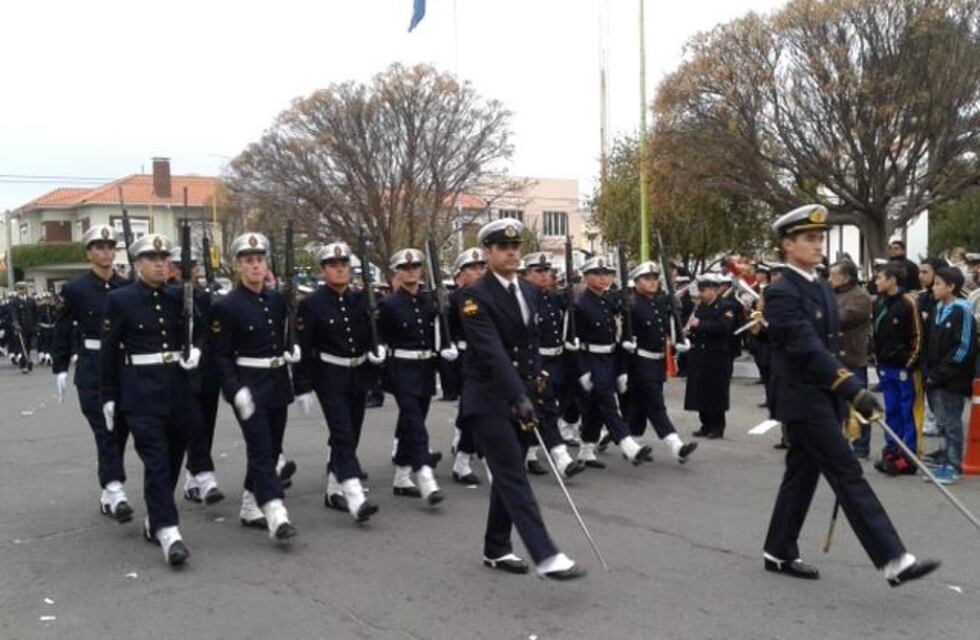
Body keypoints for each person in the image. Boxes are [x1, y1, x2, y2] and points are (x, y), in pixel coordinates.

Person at [762, 203, 939, 587]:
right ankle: (893, 559)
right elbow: (806, 347)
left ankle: (778, 549)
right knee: (847, 471)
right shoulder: (781, 292)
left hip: (823, 395)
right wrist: (851, 388)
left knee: (801, 474)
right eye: (809, 238)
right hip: (801, 397)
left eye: (820, 237)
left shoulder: (819, 285)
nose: (818, 244)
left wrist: (842, 389)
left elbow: (830, 345)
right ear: (788, 245)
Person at [457, 217, 585, 580]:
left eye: (515, 247)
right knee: (513, 472)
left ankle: (496, 548)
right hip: (487, 398)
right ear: (488, 253)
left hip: (522, 395)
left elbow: (529, 345)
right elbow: (491, 351)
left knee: (505, 473)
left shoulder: (528, 291)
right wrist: (517, 393)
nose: (512, 252)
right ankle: (546, 555)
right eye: (502, 248)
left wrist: (536, 382)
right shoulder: (473, 296)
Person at [100, 234, 202, 565]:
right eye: (152, 258)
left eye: (164, 257)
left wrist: (195, 348)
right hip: (140, 393)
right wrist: (108, 396)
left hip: (177, 390)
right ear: (138, 263)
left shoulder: (179, 297)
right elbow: (108, 351)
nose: (161, 263)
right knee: (156, 461)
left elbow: (203, 325)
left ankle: (154, 520)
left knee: (172, 460)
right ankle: (169, 531)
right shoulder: (120, 300)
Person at [209, 232, 298, 543]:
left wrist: (291, 350)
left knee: (272, 450)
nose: (256, 266)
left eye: (259, 260)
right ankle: (275, 512)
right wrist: (235, 391)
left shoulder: (276, 300)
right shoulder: (227, 306)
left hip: (276, 383)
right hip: (248, 386)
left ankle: (249, 506)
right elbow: (219, 356)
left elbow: (284, 335)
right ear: (237, 267)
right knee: (261, 448)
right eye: (249, 261)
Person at [293, 242, 383, 522]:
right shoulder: (311, 304)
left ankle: (333, 490)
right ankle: (355, 495)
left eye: (344, 263)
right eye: (333, 264)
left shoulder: (361, 299)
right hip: (328, 375)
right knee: (342, 431)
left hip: (357, 374)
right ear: (323, 271)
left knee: (351, 433)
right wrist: (302, 385)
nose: (340, 268)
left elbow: (371, 335)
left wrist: (377, 354)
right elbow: (303, 348)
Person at [53, 225, 134, 523]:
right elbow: (62, 328)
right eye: (99, 246)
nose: (106, 251)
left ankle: (108, 492)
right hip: (91, 367)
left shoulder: (126, 286)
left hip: (121, 367)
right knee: (104, 428)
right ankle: (115, 489)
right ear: (89, 252)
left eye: (110, 246)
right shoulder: (75, 289)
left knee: (120, 429)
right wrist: (60, 367)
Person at [378, 247, 455, 505]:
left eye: (414, 267)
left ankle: (401, 478)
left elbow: (441, 330)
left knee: (411, 421)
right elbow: (381, 336)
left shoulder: (429, 301)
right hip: (401, 368)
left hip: (425, 369)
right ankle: (425, 476)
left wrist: (446, 344)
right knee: (415, 423)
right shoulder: (388, 304)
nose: (410, 272)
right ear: (397, 273)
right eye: (405, 268)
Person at [573, 257, 653, 467]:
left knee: (595, 408)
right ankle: (629, 446)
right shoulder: (580, 303)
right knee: (608, 404)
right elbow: (573, 342)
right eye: (597, 273)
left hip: (609, 358)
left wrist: (621, 369)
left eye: (607, 273)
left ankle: (585, 451)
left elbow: (616, 337)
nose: (603, 278)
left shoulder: (608, 301)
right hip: (590, 359)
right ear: (586, 277)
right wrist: (582, 370)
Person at [521, 251, 586, 478]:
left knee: (554, 407)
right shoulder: (523, 297)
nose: (544, 275)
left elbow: (570, 318)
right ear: (526, 274)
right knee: (543, 409)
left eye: (547, 270)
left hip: (557, 359)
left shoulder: (554, 297)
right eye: (538, 271)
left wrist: (571, 299)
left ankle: (531, 452)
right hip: (533, 362)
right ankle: (559, 458)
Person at [625, 261, 697, 462]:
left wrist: (679, 343)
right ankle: (677, 447)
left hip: (656, 364)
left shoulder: (658, 304)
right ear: (636, 282)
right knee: (657, 407)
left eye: (655, 278)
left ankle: (625, 442)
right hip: (640, 363)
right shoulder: (632, 305)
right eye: (647, 278)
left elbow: (667, 331)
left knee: (639, 408)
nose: (653, 282)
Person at [172, 245, 225, 506]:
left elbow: (211, 331)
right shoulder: (168, 296)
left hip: (206, 370)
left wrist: (200, 348)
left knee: (207, 424)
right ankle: (204, 476)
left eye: (190, 266)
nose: (187, 271)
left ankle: (193, 478)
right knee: (194, 426)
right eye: (181, 267)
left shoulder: (205, 296)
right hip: (181, 373)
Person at [921, 267, 976, 484]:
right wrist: (927, 370)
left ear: (951, 287)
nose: (933, 288)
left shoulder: (963, 311)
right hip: (934, 377)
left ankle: (953, 466)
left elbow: (963, 348)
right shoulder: (936, 309)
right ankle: (943, 461)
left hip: (952, 379)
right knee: (941, 423)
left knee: (952, 423)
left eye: (938, 284)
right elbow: (927, 342)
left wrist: (941, 373)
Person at [871, 263, 923, 475]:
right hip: (885, 366)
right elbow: (874, 333)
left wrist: (909, 363)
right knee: (891, 411)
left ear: (893, 280)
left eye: (880, 278)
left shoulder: (908, 302)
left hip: (903, 368)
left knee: (906, 411)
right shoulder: (879, 302)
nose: (876, 282)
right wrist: (877, 359)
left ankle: (908, 456)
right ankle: (892, 450)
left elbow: (918, 336)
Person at [447, 247, 488, 485]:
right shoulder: (454, 300)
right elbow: (446, 330)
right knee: (471, 411)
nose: (479, 271)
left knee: (475, 412)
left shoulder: (491, 297)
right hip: (462, 357)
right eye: (473, 268)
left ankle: (468, 449)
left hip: (486, 358)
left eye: (482, 267)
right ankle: (462, 461)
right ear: (461, 275)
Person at [829, 260, 873, 459]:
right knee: (834, 405)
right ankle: (837, 445)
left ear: (846, 277)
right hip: (833, 357)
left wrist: (821, 312)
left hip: (853, 357)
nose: (830, 279)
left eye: (834, 275)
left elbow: (842, 319)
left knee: (858, 406)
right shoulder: (832, 294)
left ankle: (861, 448)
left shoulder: (860, 297)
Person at [684, 274, 735, 439]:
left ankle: (717, 427)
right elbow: (694, 326)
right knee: (701, 390)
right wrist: (688, 331)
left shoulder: (725, 307)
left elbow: (723, 328)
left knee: (715, 392)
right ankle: (705, 424)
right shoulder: (700, 307)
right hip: (700, 354)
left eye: (703, 290)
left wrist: (700, 325)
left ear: (714, 290)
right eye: (700, 290)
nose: (700, 294)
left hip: (717, 355)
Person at [6, 282, 37, 372]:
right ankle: (24, 364)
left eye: (23, 288)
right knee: (22, 345)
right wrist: (16, 323)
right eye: (19, 288)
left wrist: (36, 324)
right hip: (19, 328)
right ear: (17, 290)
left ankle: (26, 360)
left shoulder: (31, 300)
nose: (21, 290)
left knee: (28, 346)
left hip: (30, 326)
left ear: (26, 289)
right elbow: (13, 314)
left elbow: (35, 313)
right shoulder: (13, 302)